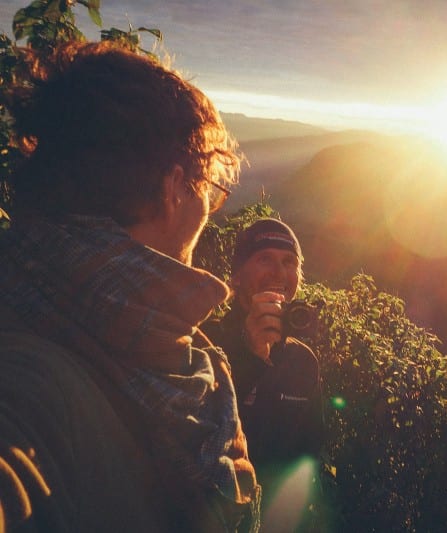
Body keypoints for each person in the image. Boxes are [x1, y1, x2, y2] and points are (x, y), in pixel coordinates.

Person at [0, 42, 260, 531]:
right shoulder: (27, 387)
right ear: (174, 186)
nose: (208, 205)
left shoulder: (173, 353)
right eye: (209, 187)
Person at [203, 218, 324, 529]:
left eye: (289, 262)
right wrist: (249, 358)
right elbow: (194, 441)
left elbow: (310, 456)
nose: (279, 273)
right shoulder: (204, 342)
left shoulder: (303, 360)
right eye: (264, 259)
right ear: (237, 275)